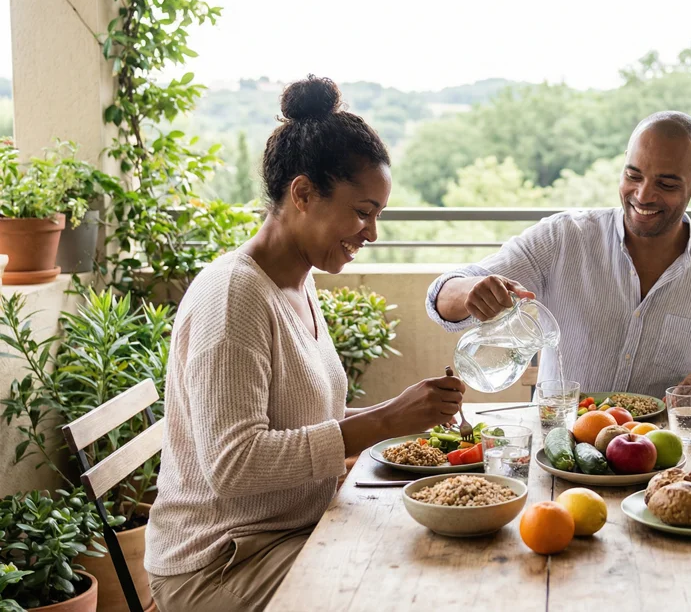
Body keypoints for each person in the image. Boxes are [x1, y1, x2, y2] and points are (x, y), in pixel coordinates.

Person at [144, 76, 465, 612]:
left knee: (435, 551)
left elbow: (306, 417)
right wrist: (385, 420)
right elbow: (233, 464)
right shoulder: (234, 297)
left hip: (290, 532)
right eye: (363, 211)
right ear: (302, 194)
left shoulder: (297, 279)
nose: (372, 233)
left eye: (378, 215)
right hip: (222, 563)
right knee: (410, 589)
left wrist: (407, 417)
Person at [426, 111, 691, 406]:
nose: (643, 196)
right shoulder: (563, 238)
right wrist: (472, 291)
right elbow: (441, 297)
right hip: (559, 444)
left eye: (666, 183)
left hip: (659, 451)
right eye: (633, 176)